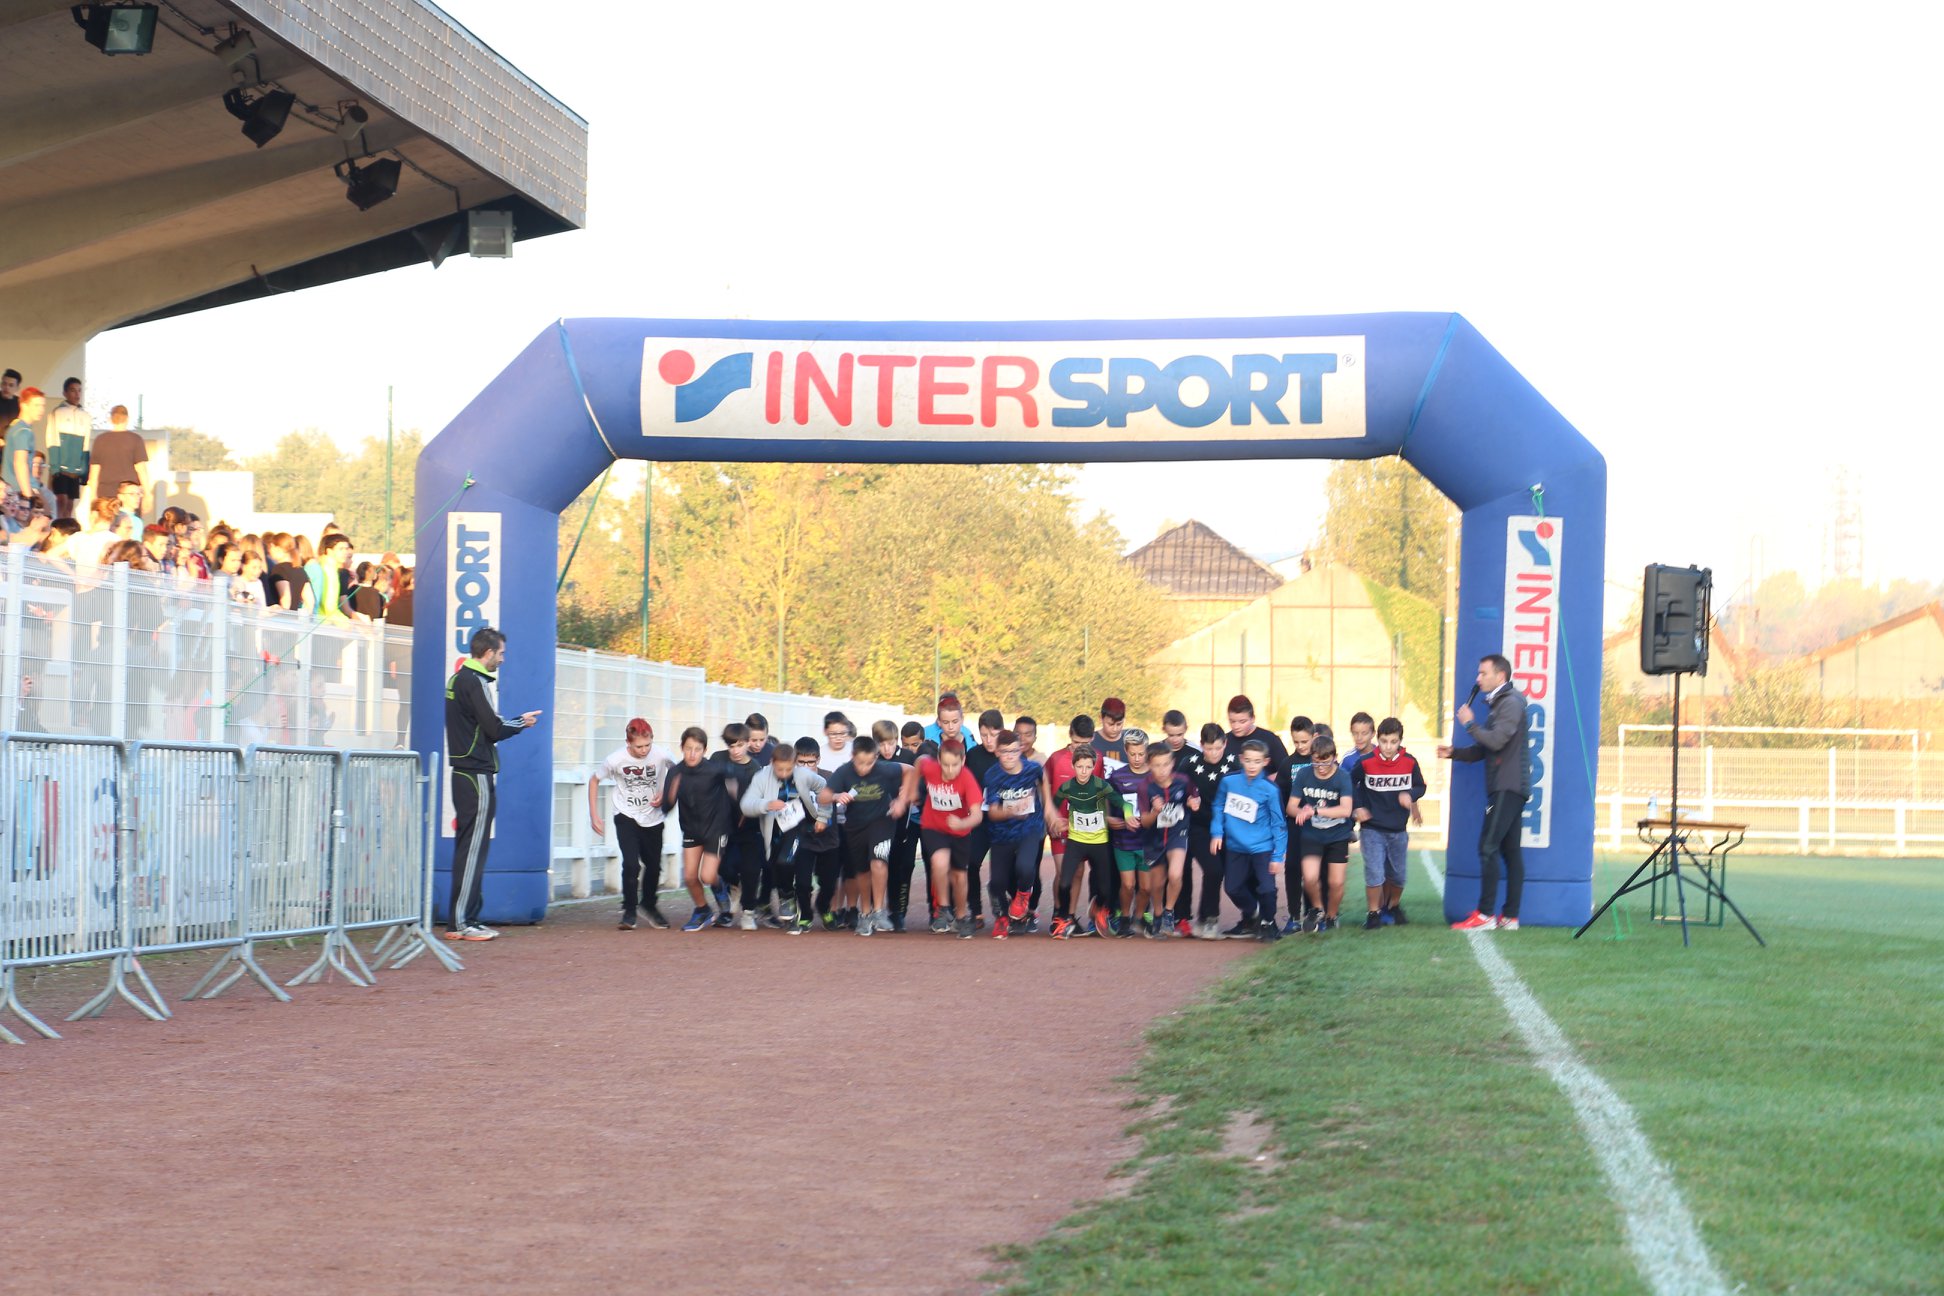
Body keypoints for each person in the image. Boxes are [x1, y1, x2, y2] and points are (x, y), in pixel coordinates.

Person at [443, 627, 540, 941]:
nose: (502, 659)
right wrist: (522, 722)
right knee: (473, 850)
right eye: (500, 653)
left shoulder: (457, 679)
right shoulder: (476, 682)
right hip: (475, 774)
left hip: (463, 773)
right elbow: (494, 728)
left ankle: (465, 918)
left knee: (467, 848)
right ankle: (462, 922)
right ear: (488, 653)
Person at [1438, 653, 1531, 932]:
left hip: (1506, 787)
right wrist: (1455, 753)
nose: (1478, 678)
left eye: (1483, 673)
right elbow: (1486, 748)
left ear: (1500, 676)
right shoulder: (1501, 703)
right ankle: (1510, 917)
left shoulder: (1510, 702)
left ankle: (1486, 915)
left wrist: (1470, 724)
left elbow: (1496, 740)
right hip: (1508, 787)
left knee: (1488, 846)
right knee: (1510, 851)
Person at [819, 735, 911, 936]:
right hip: (856, 826)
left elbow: (910, 771)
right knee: (862, 871)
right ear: (852, 756)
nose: (864, 768)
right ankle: (865, 913)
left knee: (878, 862)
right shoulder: (844, 771)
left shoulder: (884, 769)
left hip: (882, 821)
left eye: (869, 763)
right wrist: (836, 795)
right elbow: (822, 796)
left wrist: (902, 799)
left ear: (876, 758)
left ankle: (879, 911)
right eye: (860, 763)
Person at [590, 717, 676, 930]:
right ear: (628, 742)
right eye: (639, 746)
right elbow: (594, 780)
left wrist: (666, 792)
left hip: (653, 817)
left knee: (653, 866)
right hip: (625, 814)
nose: (644, 750)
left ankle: (649, 905)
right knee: (631, 864)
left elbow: (679, 773)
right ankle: (629, 910)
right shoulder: (615, 760)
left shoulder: (662, 754)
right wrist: (594, 815)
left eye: (648, 745)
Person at [739, 736, 827, 931]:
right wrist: (766, 804)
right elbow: (746, 805)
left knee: (786, 861)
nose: (785, 773)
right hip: (772, 829)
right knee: (775, 866)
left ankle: (787, 897)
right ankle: (784, 895)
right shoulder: (762, 777)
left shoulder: (804, 775)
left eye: (789, 769)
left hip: (798, 827)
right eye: (780, 769)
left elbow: (824, 788)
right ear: (772, 763)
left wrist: (823, 816)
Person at [1209, 738, 1287, 941]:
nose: (1252, 765)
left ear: (1265, 762)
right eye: (1249, 760)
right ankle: (1255, 913)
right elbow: (1218, 805)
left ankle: (1269, 923)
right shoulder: (1229, 781)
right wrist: (1217, 832)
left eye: (1257, 761)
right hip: (1236, 847)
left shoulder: (1270, 790)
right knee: (1232, 888)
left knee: (1267, 888)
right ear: (1241, 759)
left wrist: (1277, 855)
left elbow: (1278, 823)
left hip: (1263, 848)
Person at [1353, 717, 1425, 928]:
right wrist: (1358, 806)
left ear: (1400, 741)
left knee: (1398, 875)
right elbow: (1349, 783)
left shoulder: (1410, 762)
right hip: (1372, 828)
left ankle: (1393, 906)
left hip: (1398, 829)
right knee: (1375, 873)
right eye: (1384, 741)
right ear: (1378, 740)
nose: (1388, 746)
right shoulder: (1366, 762)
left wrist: (1410, 795)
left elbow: (1420, 786)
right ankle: (1373, 913)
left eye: (1393, 742)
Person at [665, 726, 736, 932]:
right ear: (681, 748)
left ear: (705, 750)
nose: (692, 754)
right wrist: (670, 794)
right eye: (688, 748)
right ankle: (702, 909)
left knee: (707, 876)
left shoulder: (715, 770)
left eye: (697, 749)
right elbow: (667, 807)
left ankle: (720, 889)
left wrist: (735, 798)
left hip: (716, 829)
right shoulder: (675, 772)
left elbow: (733, 786)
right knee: (689, 877)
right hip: (692, 830)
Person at [980, 729, 1049, 940]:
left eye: (1013, 751)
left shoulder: (1033, 769)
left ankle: (1022, 897)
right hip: (1002, 833)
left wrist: (1049, 810)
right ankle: (1002, 917)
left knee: (1025, 867)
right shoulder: (992, 775)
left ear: (1020, 750)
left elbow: (1044, 782)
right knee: (997, 882)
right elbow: (992, 812)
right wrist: (1011, 810)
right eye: (1004, 752)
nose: (1009, 756)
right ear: (997, 752)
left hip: (1030, 828)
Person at [915, 737, 984, 937]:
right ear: (938, 760)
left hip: (960, 831)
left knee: (959, 876)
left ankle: (960, 916)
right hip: (933, 826)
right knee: (939, 862)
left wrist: (962, 823)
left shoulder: (967, 779)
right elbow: (919, 762)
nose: (950, 770)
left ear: (963, 761)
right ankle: (944, 908)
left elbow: (977, 815)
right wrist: (909, 792)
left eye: (955, 765)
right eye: (945, 765)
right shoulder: (931, 768)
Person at [1287, 735, 1356, 932]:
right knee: (1309, 878)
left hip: (1337, 835)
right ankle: (1318, 909)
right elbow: (1291, 807)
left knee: (1336, 882)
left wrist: (1315, 811)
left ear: (1334, 757)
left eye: (1325, 762)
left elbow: (1345, 810)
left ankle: (1331, 916)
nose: (1321, 767)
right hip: (1312, 834)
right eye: (1316, 762)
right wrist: (1301, 812)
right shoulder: (1304, 774)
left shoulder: (1342, 777)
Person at [1050, 745, 1114, 939]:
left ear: (1094, 767)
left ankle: (1098, 907)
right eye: (1080, 767)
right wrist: (1055, 821)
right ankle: (1063, 919)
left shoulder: (1102, 786)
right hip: (1076, 841)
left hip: (1099, 842)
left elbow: (1120, 803)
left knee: (1106, 890)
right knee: (1064, 884)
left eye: (1088, 767)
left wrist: (1127, 815)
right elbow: (1053, 807)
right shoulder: (1067, 787)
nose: (1084, 771)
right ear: (1073, 766)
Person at [1181, 722, 1238, 939]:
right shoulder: (1190, 764)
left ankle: (1208, 918)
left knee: (1228, 873)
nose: (1213, 753)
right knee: (1213, 870)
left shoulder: (1234, 764)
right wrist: (1187, 800)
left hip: (1228, 828)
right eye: (1208, 748)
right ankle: (1210, 920)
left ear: (1225, 743)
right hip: (1198, 827)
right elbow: (1175, 789)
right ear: (1201, 745)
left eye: (1218, 748)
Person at [1138, 741, 1195, 939]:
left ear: (1172, 763)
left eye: (1165, 764)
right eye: (1156, 765)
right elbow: (1144, 822)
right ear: (1149, 765)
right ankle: (1158, 914)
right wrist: (1155, 811)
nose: (1162, 770)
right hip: (1153, 838)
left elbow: (1193, 797)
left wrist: (1194, 802)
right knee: (1157, 884)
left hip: (1177, 833)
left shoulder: (1183, 781)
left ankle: (1169, 912)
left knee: (1175, 874)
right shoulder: (1145, 787)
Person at [714, 722, 765, 929]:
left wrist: (739, 798)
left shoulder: (755, 769)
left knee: (751, 870)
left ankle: (748, 913)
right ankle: (734, 887)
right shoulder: (717, 759)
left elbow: (758, 798)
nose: (735, 750)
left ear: (748, 743)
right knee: (723, 868)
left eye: (740, 745)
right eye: (731, 746)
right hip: (723, 825)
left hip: (749, 827)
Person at [1103, 727, 1151, 936]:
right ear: (1126, 751)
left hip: (1148, 843)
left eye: (1141, 754)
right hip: (1124, 842)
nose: (1137, 758)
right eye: (1132, 754)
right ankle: (1124, 917)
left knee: (1146, 888)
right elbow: (1107, 802)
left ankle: (1138, 917)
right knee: (1128, 885)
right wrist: (1110, 819)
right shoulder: (1117, 777)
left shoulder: (1154, 776)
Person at [792, 737, 843, 934]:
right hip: (803, 839)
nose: (806, 767)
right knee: (803, 883)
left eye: (810, 762)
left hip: (829, 839)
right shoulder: (790, 780)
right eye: (801, 762)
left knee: (829, 883)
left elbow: (839, 799)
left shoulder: (830, 778)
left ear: (818, 760)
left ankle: (824, 907)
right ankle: (805, 914)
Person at [82, 405, 149, 519]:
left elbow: (94, 474)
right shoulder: (135, 439)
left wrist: (93, 498)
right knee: (130, 526)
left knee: (107, 525)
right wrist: (147, 494)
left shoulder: (100, 440)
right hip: (129, 495)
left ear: (110, 419)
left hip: (105, 494)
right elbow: (141, 469)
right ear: (127, 419)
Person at [46, 378, 90, 520]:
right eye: (72, 390)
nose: (77, 394)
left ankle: (67, 528)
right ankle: (57, 525)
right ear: (65, 393)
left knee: (70, 504)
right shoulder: (57, 413)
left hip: (75, 469)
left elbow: (86, 444)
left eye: (79, 391)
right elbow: (52, 439)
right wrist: (55, 467)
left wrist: (84, 470)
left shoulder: (85, 416)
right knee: (61, 501)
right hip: (61, 467)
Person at [1091, 696, 1131, 771]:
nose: (1115, 729)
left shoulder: (1131, 742)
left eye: (1119, 724)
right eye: (1110, 724)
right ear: (1101, 718)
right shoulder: (1090, 742)